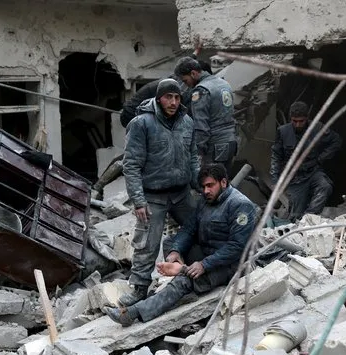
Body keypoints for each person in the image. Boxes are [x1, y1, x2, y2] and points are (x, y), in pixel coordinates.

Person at [106, 164, 258, 326]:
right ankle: (184, 276)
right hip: (207, 254)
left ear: (223, 182)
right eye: (204, 186)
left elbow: (237, 247)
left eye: (210, 185)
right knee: (170, 243)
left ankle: (132, 314)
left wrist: (203, 265)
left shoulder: (240, 205)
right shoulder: (205, 201)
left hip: (231, 265)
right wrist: (176, 251)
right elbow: (189, 229)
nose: (206, 190)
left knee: (184, 281)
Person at [119, 78, 200, 307]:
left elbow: (193, 158)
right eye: (168, 97)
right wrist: (138, 200)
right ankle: (139, 290)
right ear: (158, 98)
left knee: (201, 228)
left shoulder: (187, 122)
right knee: (147, 243)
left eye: (177, 97)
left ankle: (199, 274)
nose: (173, 102)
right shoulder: (141, 123)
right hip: (152, 196)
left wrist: (200, 186)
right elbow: (131, 164)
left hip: (181, 193)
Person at [270, 101, 342, 221]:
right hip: (295, 178)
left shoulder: (317, 128)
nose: (298, 125)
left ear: (307, 118)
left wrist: (321, 158)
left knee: (325, 186)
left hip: (313, 171)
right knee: (295, 215)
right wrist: (275, 180)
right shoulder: (283, 132)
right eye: (294, 121)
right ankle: (300, 224)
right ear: (290, 119)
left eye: (301, 121)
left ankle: (309, 218)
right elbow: (276, 156)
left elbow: (336, 141)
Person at [119, 45, 212, 127]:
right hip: (130, 113)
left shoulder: (181, 77)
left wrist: (196, 51)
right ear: (193, 74)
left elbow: (187, 62)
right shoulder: (180, 88)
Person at [174, 57, 237, 171]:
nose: (186, 85)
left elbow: (201, 127)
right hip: (231, 142)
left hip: (215, 146)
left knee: (209, 184)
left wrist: (198, 153)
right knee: (223, 182)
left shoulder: (201, 91)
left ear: (193, 73)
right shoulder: (224, 84)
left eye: (185, 80)